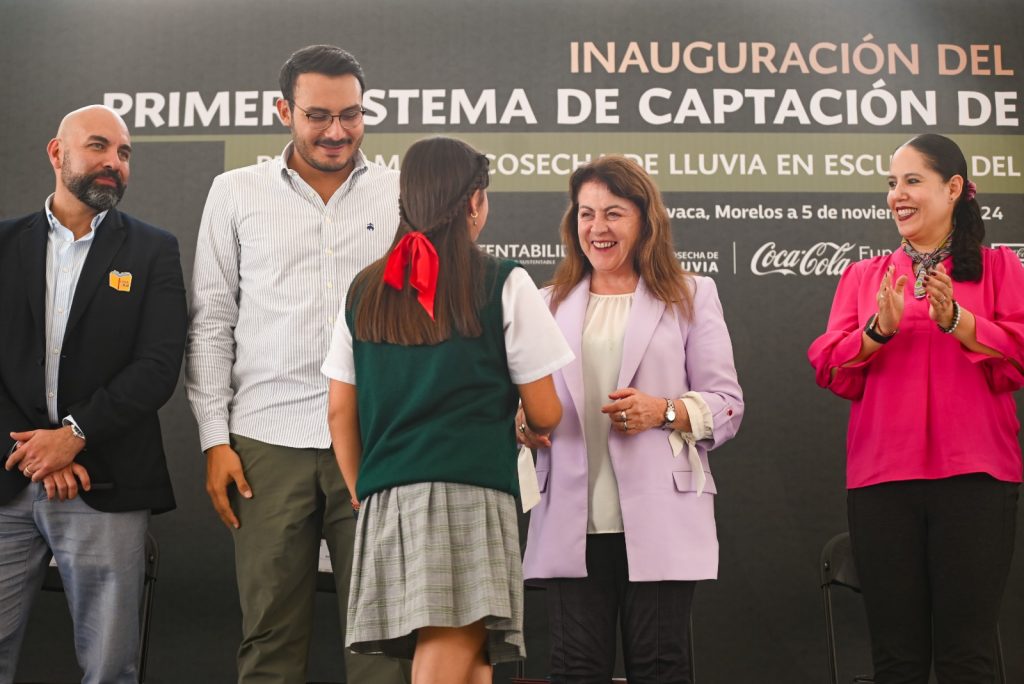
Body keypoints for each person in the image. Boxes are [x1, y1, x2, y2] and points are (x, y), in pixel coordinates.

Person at [185, 45, 409, 683]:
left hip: (373, 439)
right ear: (283, 110)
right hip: (263, 444)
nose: (337, 131)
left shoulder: (400, 194)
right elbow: (211, 321)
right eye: (318, 115)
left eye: (352, 114)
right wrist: (214, 440)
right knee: (269, 639)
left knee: (383, 641)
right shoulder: (234, 192)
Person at [322, 136, 573, 684]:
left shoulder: (364, 289)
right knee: (449, 651)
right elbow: (548, 410)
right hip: (468, 491)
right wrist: (526, 422)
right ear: (474, 202)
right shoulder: (503, 282)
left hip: (387, 495)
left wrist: (362, 488)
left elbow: (340, 410)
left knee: (474, 663)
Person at [519, 156, 744, 684]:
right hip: (570, 518)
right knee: (574, 669)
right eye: (586, 214)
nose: (598, 228)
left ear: (644, 221)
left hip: (663, 514)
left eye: (614, 213)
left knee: (662, 668)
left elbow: (728, 403)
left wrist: (663, 410)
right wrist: (522, 427)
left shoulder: (690, 295)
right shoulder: (543, 303)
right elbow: (518, 408)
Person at [809, 133, 1024, 684]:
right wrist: (878, 331)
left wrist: (959, 322)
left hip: (977, 478)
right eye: (891, 183)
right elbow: (828, 362)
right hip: (882, 482)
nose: (897, 195)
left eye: (911, 181)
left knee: (966, 657)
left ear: (953, 189)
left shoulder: (999, 269)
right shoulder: (864, 277)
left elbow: (1019, 352)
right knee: (897, 660)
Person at [0, 105, 187, 684]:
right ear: (57, 154)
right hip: (8, 476)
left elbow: (157, 366)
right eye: (99, 147)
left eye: (124, 153)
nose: (113, 163)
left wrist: (73, 437)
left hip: (105, 479)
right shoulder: (4, 243)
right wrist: (40, 451)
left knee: (109, 666)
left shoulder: (153, 250)